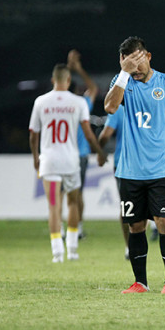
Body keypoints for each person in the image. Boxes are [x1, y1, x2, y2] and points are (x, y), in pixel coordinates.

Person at [104, 36, 165, 294]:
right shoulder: (122, 82)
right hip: (130, 170)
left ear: (148, 56)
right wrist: (124, 74)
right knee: (135, 226)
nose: (134, 68)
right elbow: (110, 107)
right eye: (128, 63)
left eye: (137, 61)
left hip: (161, 169)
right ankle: (140, 282)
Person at [28, 63, 106, 262]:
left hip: (49, 161)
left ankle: (57, 253)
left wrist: (36, 158)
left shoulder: (41, 102)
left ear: (53, 80)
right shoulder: (78, 102)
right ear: (69, 80)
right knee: (73, 202)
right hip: (71, 161)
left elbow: (33, 134)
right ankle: (72, 249)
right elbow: (88, 133)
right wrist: (100, 152)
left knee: (54, 205)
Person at [67, 50, 98, 239]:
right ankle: (77, 228)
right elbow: (93, 88)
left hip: (63, 154)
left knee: (65, 193)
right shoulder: (81, 103)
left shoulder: (58, 104)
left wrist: (69, 68)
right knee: (77, 193)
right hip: (81, 155)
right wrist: (78, 69)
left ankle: (64, 228)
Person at [97, 108, 133, 258]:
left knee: (126, 206)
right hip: (147, 163)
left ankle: (129, 247)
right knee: (144, 206)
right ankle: (138, 244)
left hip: (123, 164)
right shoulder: (150, 101)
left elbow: (105, 134)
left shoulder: (119, 108)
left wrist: (100, 152)